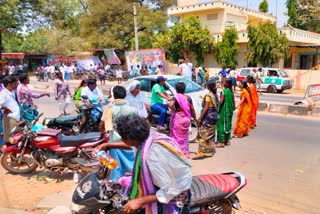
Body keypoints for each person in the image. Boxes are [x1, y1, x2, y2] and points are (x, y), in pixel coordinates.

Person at [113, 114, 192, 213]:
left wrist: (140, 201)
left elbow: (171, 190)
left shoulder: (152, 156)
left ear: (129, 138)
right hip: (166, 183)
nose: (121, 140)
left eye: (122, 137)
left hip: (176, 193)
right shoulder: (149, 136)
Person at [95, 86, 138, 182]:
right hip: (129, 143)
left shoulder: (109, 108)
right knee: (131, 165)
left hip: (114, 143)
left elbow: (102, 126)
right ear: (125, 95)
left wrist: (103, 134)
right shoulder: (132, 109)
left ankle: (117, 185)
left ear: (114, 95)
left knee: (116, 168)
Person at [192, 80, 219, 160]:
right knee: (210, 134)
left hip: (208, 116)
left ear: (208, 87)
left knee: (203, 134)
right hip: (214, 116)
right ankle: (209, 151)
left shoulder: (208, 96)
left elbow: (206, 108)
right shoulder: (215, 95)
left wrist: (200, 118)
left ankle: (201, 153)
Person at [169, 82, 196, 158]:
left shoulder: (176, 97)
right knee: (184, 138)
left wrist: (174, 110)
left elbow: (171, 105)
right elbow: (192, 109)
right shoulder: (188, 98)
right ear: (184, 89)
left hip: (178, 119)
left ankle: (177, 152)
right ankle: (184, 153)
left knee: (176, 137)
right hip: (186, 119)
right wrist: (195, 119)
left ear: (176, 89)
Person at [0, 76, 20, 151]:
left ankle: (13, 158)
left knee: (14, 139)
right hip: (9, 119)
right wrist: (5, 108)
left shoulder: (12, 92)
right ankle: (12, 159)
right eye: (15, 83)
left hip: (14, 118)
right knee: (11, 140)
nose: (17, 85)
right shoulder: (3, 94)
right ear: (9, 84)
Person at [216, 79, 235, 148]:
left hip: (223, 111)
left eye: (223, 82)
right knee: (228, 124)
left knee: (221, 125)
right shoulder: (231, 91)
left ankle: (221, 142)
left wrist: (216, 101)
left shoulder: (223, 92)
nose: (222, 83)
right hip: (229, 111)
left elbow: (220, 102)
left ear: (226, 84)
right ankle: (227, 140)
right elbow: (233, 103)